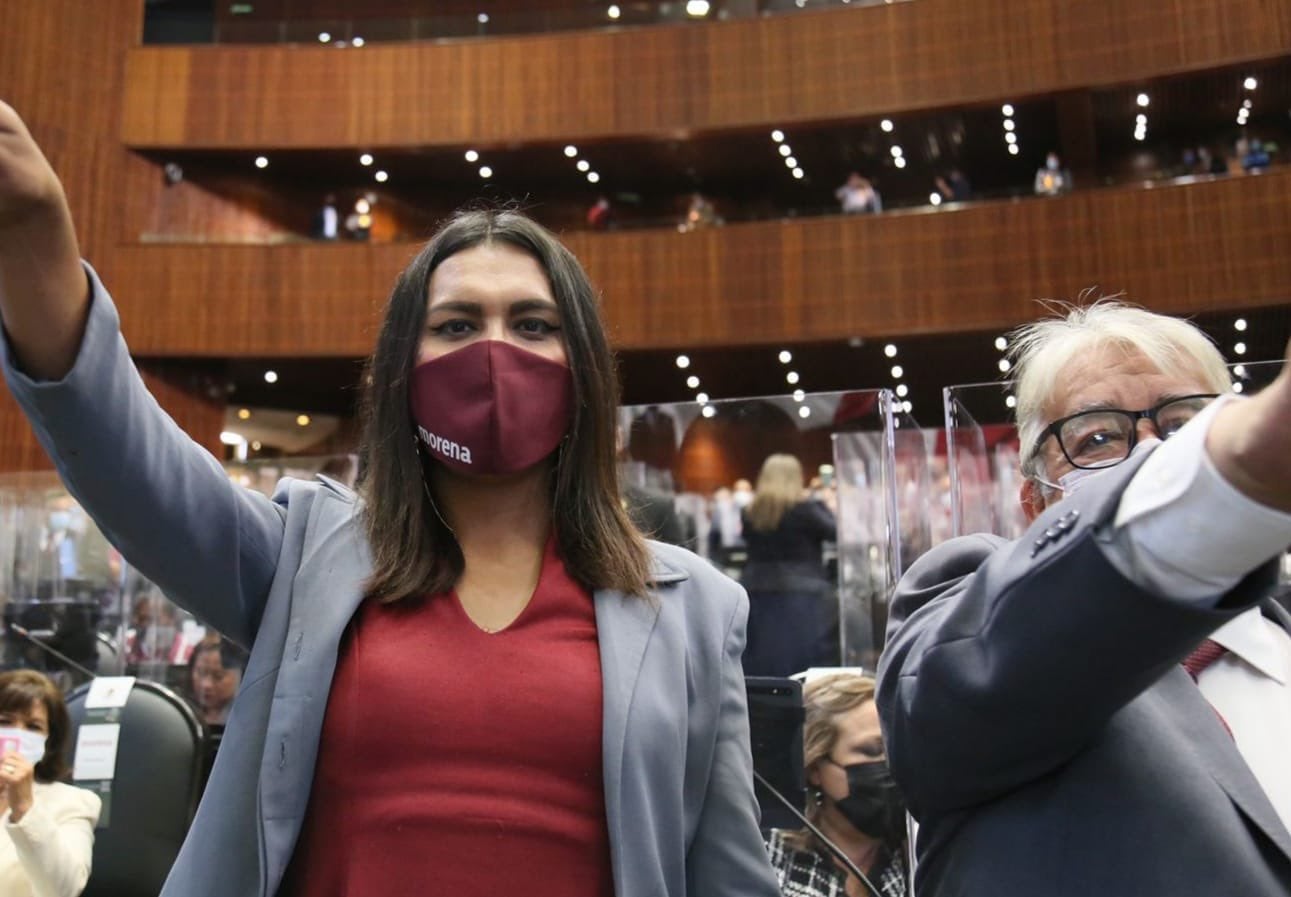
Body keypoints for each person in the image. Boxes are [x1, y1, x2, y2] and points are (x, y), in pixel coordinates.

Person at [0, 100, 779, 897]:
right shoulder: (303, 557)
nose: (493, 351)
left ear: (584, 368)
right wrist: (35, 234)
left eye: (534, 324)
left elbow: (730, 877)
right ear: (402, 369)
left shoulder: (694, 609)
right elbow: (130, 464)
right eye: (456, 324)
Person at [878, 299, 1291, 895]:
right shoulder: (965, 604)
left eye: (1186, 426)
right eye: (1098, 436)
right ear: (1036, 502)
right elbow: (949, 707)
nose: (1154, 455)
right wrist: (1223, 469)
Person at [766, 672, 907, 897]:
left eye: (893, 750)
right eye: (871, 751)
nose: (887, 766)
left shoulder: (918, 853)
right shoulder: (769, 858)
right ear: (814, 769)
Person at [0, 669, 100, 897]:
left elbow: (63, 889)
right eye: (5, 721)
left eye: (33, 726)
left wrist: (24, 808)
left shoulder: (74, 804)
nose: (17, 734)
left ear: (49, 742)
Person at [741, 455, 837, 677]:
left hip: (757, 589)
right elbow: (835, 532)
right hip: (803, 591)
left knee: (763, 658)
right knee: (801, 659)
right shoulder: (807, 509)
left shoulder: (750, 511)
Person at [185, 636, 245, 727]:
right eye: (201, 673)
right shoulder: (183, 712)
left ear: (240, 675)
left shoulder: (244, 719)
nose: (206, 685)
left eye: (218, 676)